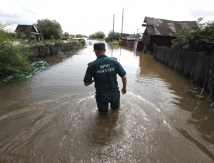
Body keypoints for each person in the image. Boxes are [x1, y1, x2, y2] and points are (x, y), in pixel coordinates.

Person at [83, 42, 127, 113]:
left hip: (101, 95)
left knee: (102, 116)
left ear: (96, 51)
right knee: (116, 112)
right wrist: (124, 88)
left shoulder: (92, 65)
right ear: (105, 50)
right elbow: (124, 77)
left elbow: (86, 83)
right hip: (114, 93)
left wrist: (93, 80)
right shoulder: (114, 62)